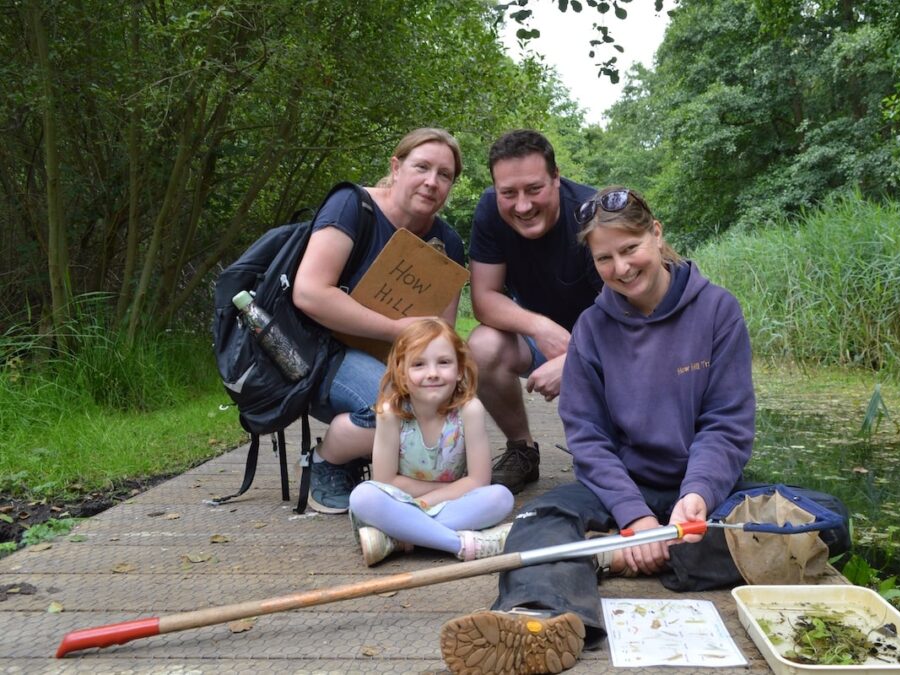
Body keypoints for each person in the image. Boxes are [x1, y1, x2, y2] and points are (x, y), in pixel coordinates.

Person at [439, 187, 850, 674]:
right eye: (605, 258)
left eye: (630, 248)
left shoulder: (718, 310)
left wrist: (695, 496)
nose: (622, 268)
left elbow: (726, 425)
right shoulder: (592, 327)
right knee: (539, 518)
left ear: (656, 235)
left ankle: (603, 557)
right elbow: (588, 438)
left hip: (700, 496)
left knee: (827, 522)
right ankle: (540, 618)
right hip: (619, 488)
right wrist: (633, 517)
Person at [293, 128, 467, 514]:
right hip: (318, 351)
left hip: (393, 361)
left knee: (444, 398)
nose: (431, 181)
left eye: (444, 175)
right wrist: (395, 329)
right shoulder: (352, 206)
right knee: (397, 406)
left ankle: (395, 477)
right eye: (421, 167)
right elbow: (308, 292)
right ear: (396, 166)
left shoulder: (449, 243)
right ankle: (328, 459)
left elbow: (443, 336)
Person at [467, 130, 601, 494]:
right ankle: (522, 450)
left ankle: (613, 451)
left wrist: (577, 357)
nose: (522, 206)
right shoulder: (490, 212)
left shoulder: (593, 214)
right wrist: (539, 326)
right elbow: (484, 297)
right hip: (541, 339)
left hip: (609, 341)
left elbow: (632, 317)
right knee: (482, 347)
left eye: (534, 189)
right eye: (508, 193)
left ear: (556, 178)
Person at [346, 318, 515, 566]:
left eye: (444, 363)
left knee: (500, 498)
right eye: (418, 365)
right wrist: (423, 502)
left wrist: (428, 502)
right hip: (400, 505)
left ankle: (397, 539)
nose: (433, 373)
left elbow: (479, 481)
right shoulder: (390, 412)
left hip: (448, 504)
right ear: (401, 372)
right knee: (363, 496)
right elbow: (385, 481)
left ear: (459, 370)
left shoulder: (469, 410)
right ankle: (460, 545)